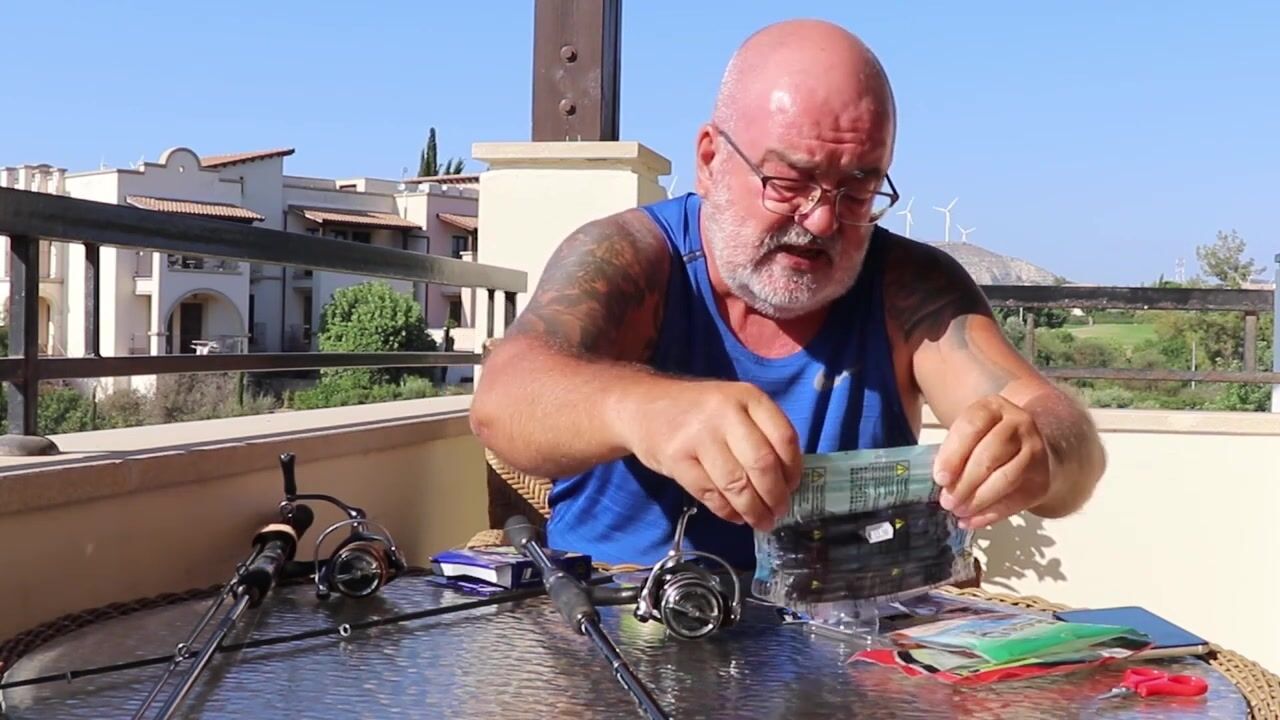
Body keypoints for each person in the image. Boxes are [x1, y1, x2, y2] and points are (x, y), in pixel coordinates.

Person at [470, 19, 1106, 570]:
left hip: (844, 642)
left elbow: (1070, 444)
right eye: (789, 180)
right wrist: (645, 410)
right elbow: (502, 402)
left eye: (858, 189)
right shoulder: (633, 257)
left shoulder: (911, 286)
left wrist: (1036, 449)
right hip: (620, 624)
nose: (823, 220)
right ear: (710, 160)